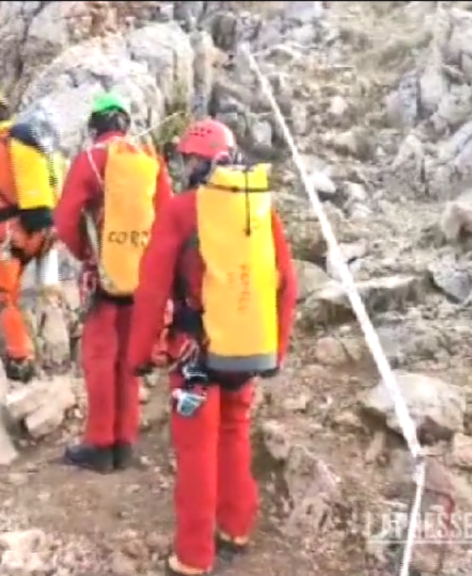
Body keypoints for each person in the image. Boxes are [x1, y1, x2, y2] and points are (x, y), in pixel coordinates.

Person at [125, 118, 298, 576]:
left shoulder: (181, 211)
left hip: (194, 353)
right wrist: (275, 350)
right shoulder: (258, 209)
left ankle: (192, 556)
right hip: (247, 346)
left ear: (195, 163)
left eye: (186, 161)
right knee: (235, 433)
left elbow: (152, 289)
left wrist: (140, 354)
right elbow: (286, 284)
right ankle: (236, 527)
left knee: (197, 452)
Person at [54, 91, 174, 472]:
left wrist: (89, 255)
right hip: (143, 278)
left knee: (100, 358)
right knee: (129, 359)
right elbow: (166, 217)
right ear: (124, 122)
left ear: (95, 126)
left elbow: (65, 219)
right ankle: (125, 441)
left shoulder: (90, 160)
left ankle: (100, 442)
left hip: (104, 279)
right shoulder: (149, 160)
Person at [0, 89, 60, 382]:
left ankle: (21, 356)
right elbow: (55, 181)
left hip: (10, 236)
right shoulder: (33, 143)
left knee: (4, 295)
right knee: (43, 291)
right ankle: (56, 344)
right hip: (45, 231)